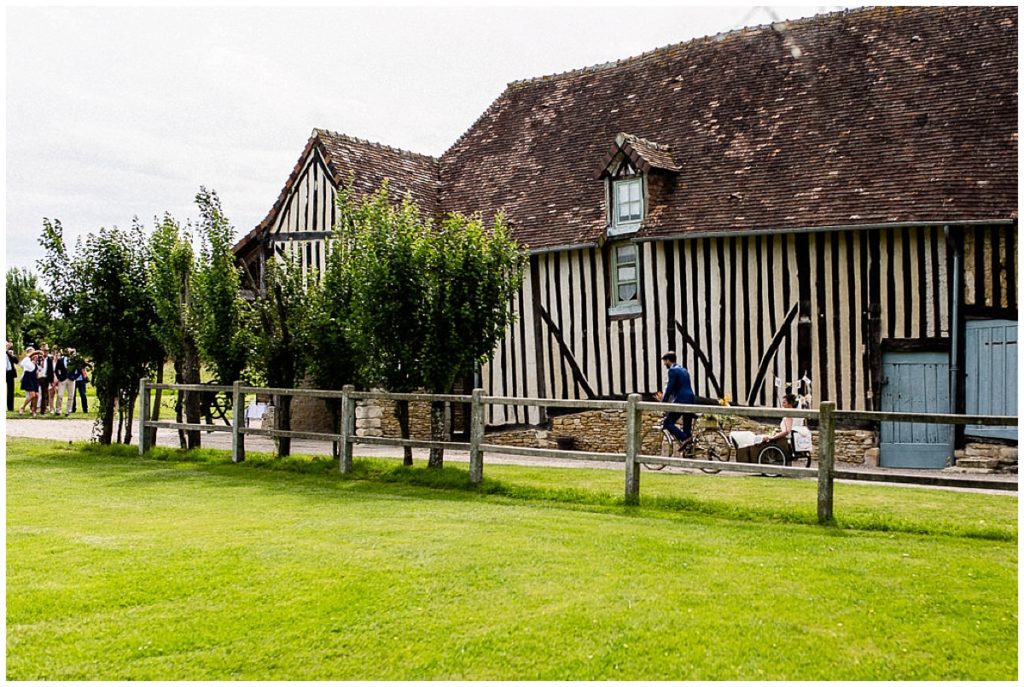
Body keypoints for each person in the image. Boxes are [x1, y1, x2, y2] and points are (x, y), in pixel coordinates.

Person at [654, 351, 696, 447]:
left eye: (665, 361)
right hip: (690, 399)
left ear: (668, 360)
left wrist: (663, 402)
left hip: (682, 400)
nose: (664, 364)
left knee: (667, 423)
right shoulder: (683, 369)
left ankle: (685, 438)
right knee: (687, 426)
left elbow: (670, 388)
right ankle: (689, 449)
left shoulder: (672, 371)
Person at [18, 347, 40, 416]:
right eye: (30, 352)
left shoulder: (36, 363)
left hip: (34, 379)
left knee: (36, 395)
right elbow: (23, 366)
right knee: (32, 395)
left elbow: (37, 372)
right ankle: (22, 407)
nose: (34, 354)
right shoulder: (26, 360)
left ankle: (33, 410)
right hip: (28, 379)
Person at [55, 348, 75, 416]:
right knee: (60, 395)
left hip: (71, 379)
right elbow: (56, 370)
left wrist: (75, 377)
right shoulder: (60, 360)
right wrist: (59, 377)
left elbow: (79, 370)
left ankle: (68, 410)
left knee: (71, 396)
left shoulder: (73, 360)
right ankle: (58, 410)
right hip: (62, 379)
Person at [5, 341, 18, 412]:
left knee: (10, 391)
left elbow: (16, 361)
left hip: (10, 373)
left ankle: (10, 408)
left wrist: (11, 354)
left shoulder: (9, 353)